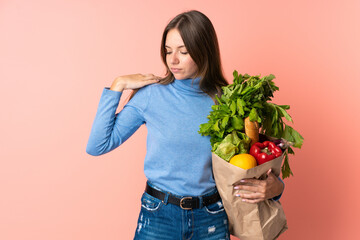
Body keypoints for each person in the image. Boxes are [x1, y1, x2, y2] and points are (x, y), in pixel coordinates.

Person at [86, 10, 284, 240]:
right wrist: (117, 86)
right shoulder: (152, 95)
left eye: (184, 51)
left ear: (203, 51)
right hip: (158, 216)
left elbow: (250, 164)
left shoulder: (229, 102)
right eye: (168, 51)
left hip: (211, 217)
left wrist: (276, 188)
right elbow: (97, 145)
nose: (173, 60)